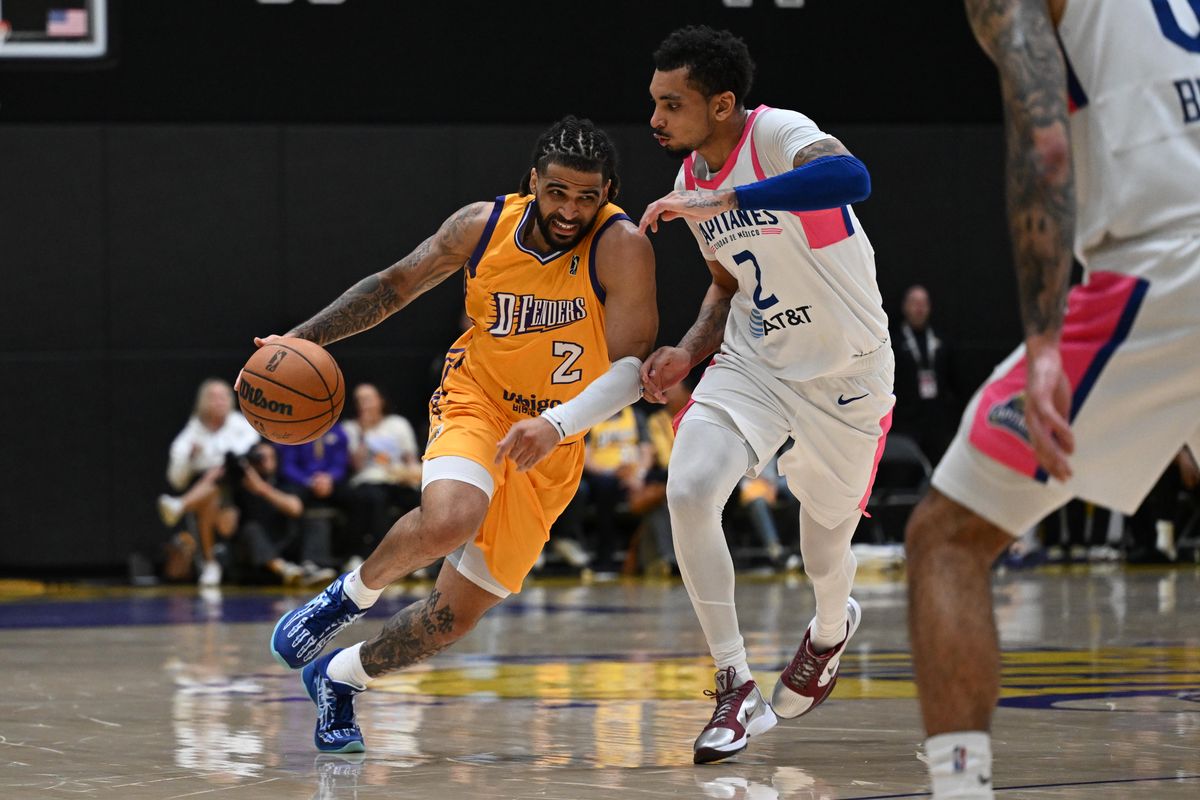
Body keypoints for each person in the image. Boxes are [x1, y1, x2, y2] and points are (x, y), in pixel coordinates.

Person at [256, 116, 657, 753]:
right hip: (478, 401)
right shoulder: (482, 225)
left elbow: (632, 368)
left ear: (607, 192)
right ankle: (348, 597)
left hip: (555, 436)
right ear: (534, 181)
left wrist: (556, 425)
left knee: (449, 621)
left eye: (588, 197)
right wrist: (301, 340)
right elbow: (393, 286)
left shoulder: (622, 246)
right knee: (450, 520)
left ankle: (337, 677)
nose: (570, 210)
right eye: (558, 192)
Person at [904, 2, 1200, 797]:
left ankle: (961, 789)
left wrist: (1044, 344)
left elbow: (1044, 141)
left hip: (1168, 264)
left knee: (948, 538)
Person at [638, 26, 894, 763]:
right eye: (653, 102)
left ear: (722, 105)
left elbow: (852, 179)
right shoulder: (690, 182)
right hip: (757, 361)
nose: (655, 118)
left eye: (671, 103)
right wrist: (687, 349)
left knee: (823, 549)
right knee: (688, 489)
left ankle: (828, 630)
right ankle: (734, 684)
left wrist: (730, 194)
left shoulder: (777, 133)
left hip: (847, 371)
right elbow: (727, 282)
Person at [158, 378, 261, 586]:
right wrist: (190, 458)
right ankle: (211, 562)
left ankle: (180, 505)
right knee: (211, 495)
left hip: (240, 490)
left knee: (217, 474)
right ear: (202, 402)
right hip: (210, 494)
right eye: (213, 398)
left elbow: (245, 450)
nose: (219, 402)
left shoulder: (240, 423)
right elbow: (176, 478)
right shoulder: (194, 429)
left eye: (223, 397)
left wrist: (210, 461)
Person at [342, 383, 422, 568]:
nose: (365, 404)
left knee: (419, 500)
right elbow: (356, 465)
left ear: (380, 400)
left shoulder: (398, 424)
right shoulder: (351, 428)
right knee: (373, 499)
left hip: (397, 478)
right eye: (360, 400)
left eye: (368, 399)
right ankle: (373, 557)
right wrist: (364, 432)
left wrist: (414, 474)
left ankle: (417, 560)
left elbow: (409, 458)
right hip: (369, 479)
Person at [233, 442, 334, 586]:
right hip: (261, 549)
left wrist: (262, 489)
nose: (265, 461)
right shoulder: (241, 487)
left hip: (286, 538)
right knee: (250, 529)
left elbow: (295, 508)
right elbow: (227, 528)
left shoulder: (285, 482)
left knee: (316, 520)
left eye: (270, 456)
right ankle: (282, 568)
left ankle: (311, 567)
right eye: (260, 457)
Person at [892, 284, 959, 464]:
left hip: (936, 420)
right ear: (905, 306)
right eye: (914, 303)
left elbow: (955, 381)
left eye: (923, 303)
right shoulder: (894, 343)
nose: (919, 308)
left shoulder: (942, 341)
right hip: (904, 421)